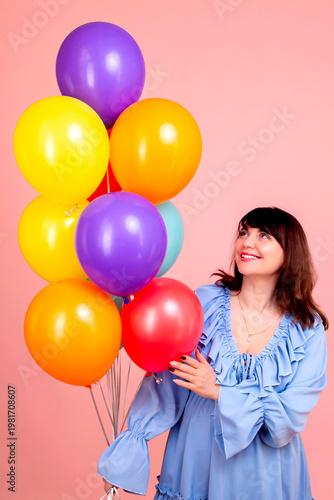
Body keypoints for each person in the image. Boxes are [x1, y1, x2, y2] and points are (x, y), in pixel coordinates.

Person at [98, 207, 328, 500]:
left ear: (289, 252)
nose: (247, 242)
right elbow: (166, 385)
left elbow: (287, 419)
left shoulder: (305, 328)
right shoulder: (203, 303)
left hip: (267, 471)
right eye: (244, 232)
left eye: (264, 236)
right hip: (198, 458)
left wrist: (218, 390)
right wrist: (124, 459)